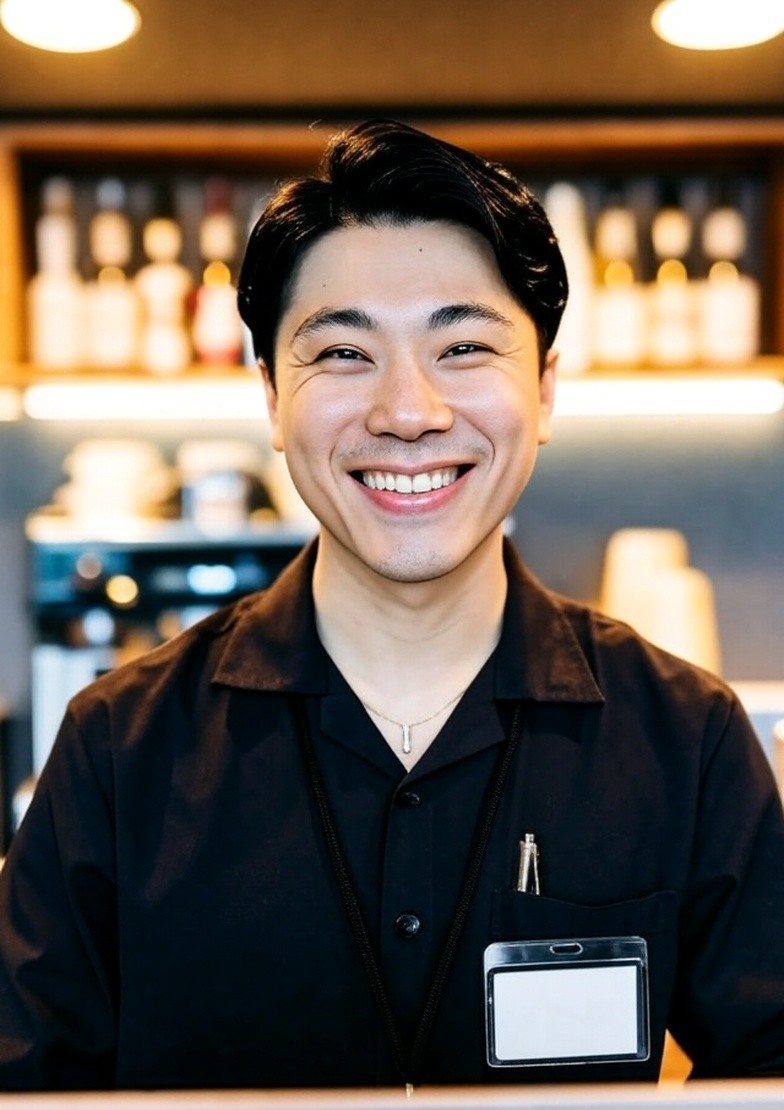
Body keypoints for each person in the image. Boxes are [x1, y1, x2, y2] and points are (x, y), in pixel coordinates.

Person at [1, 118, 783, 1092]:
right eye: (340, 354)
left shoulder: (686, 739)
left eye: (462, 346)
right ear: (271, 400)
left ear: (542, 390)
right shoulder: (119, 751)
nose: (407, 412)